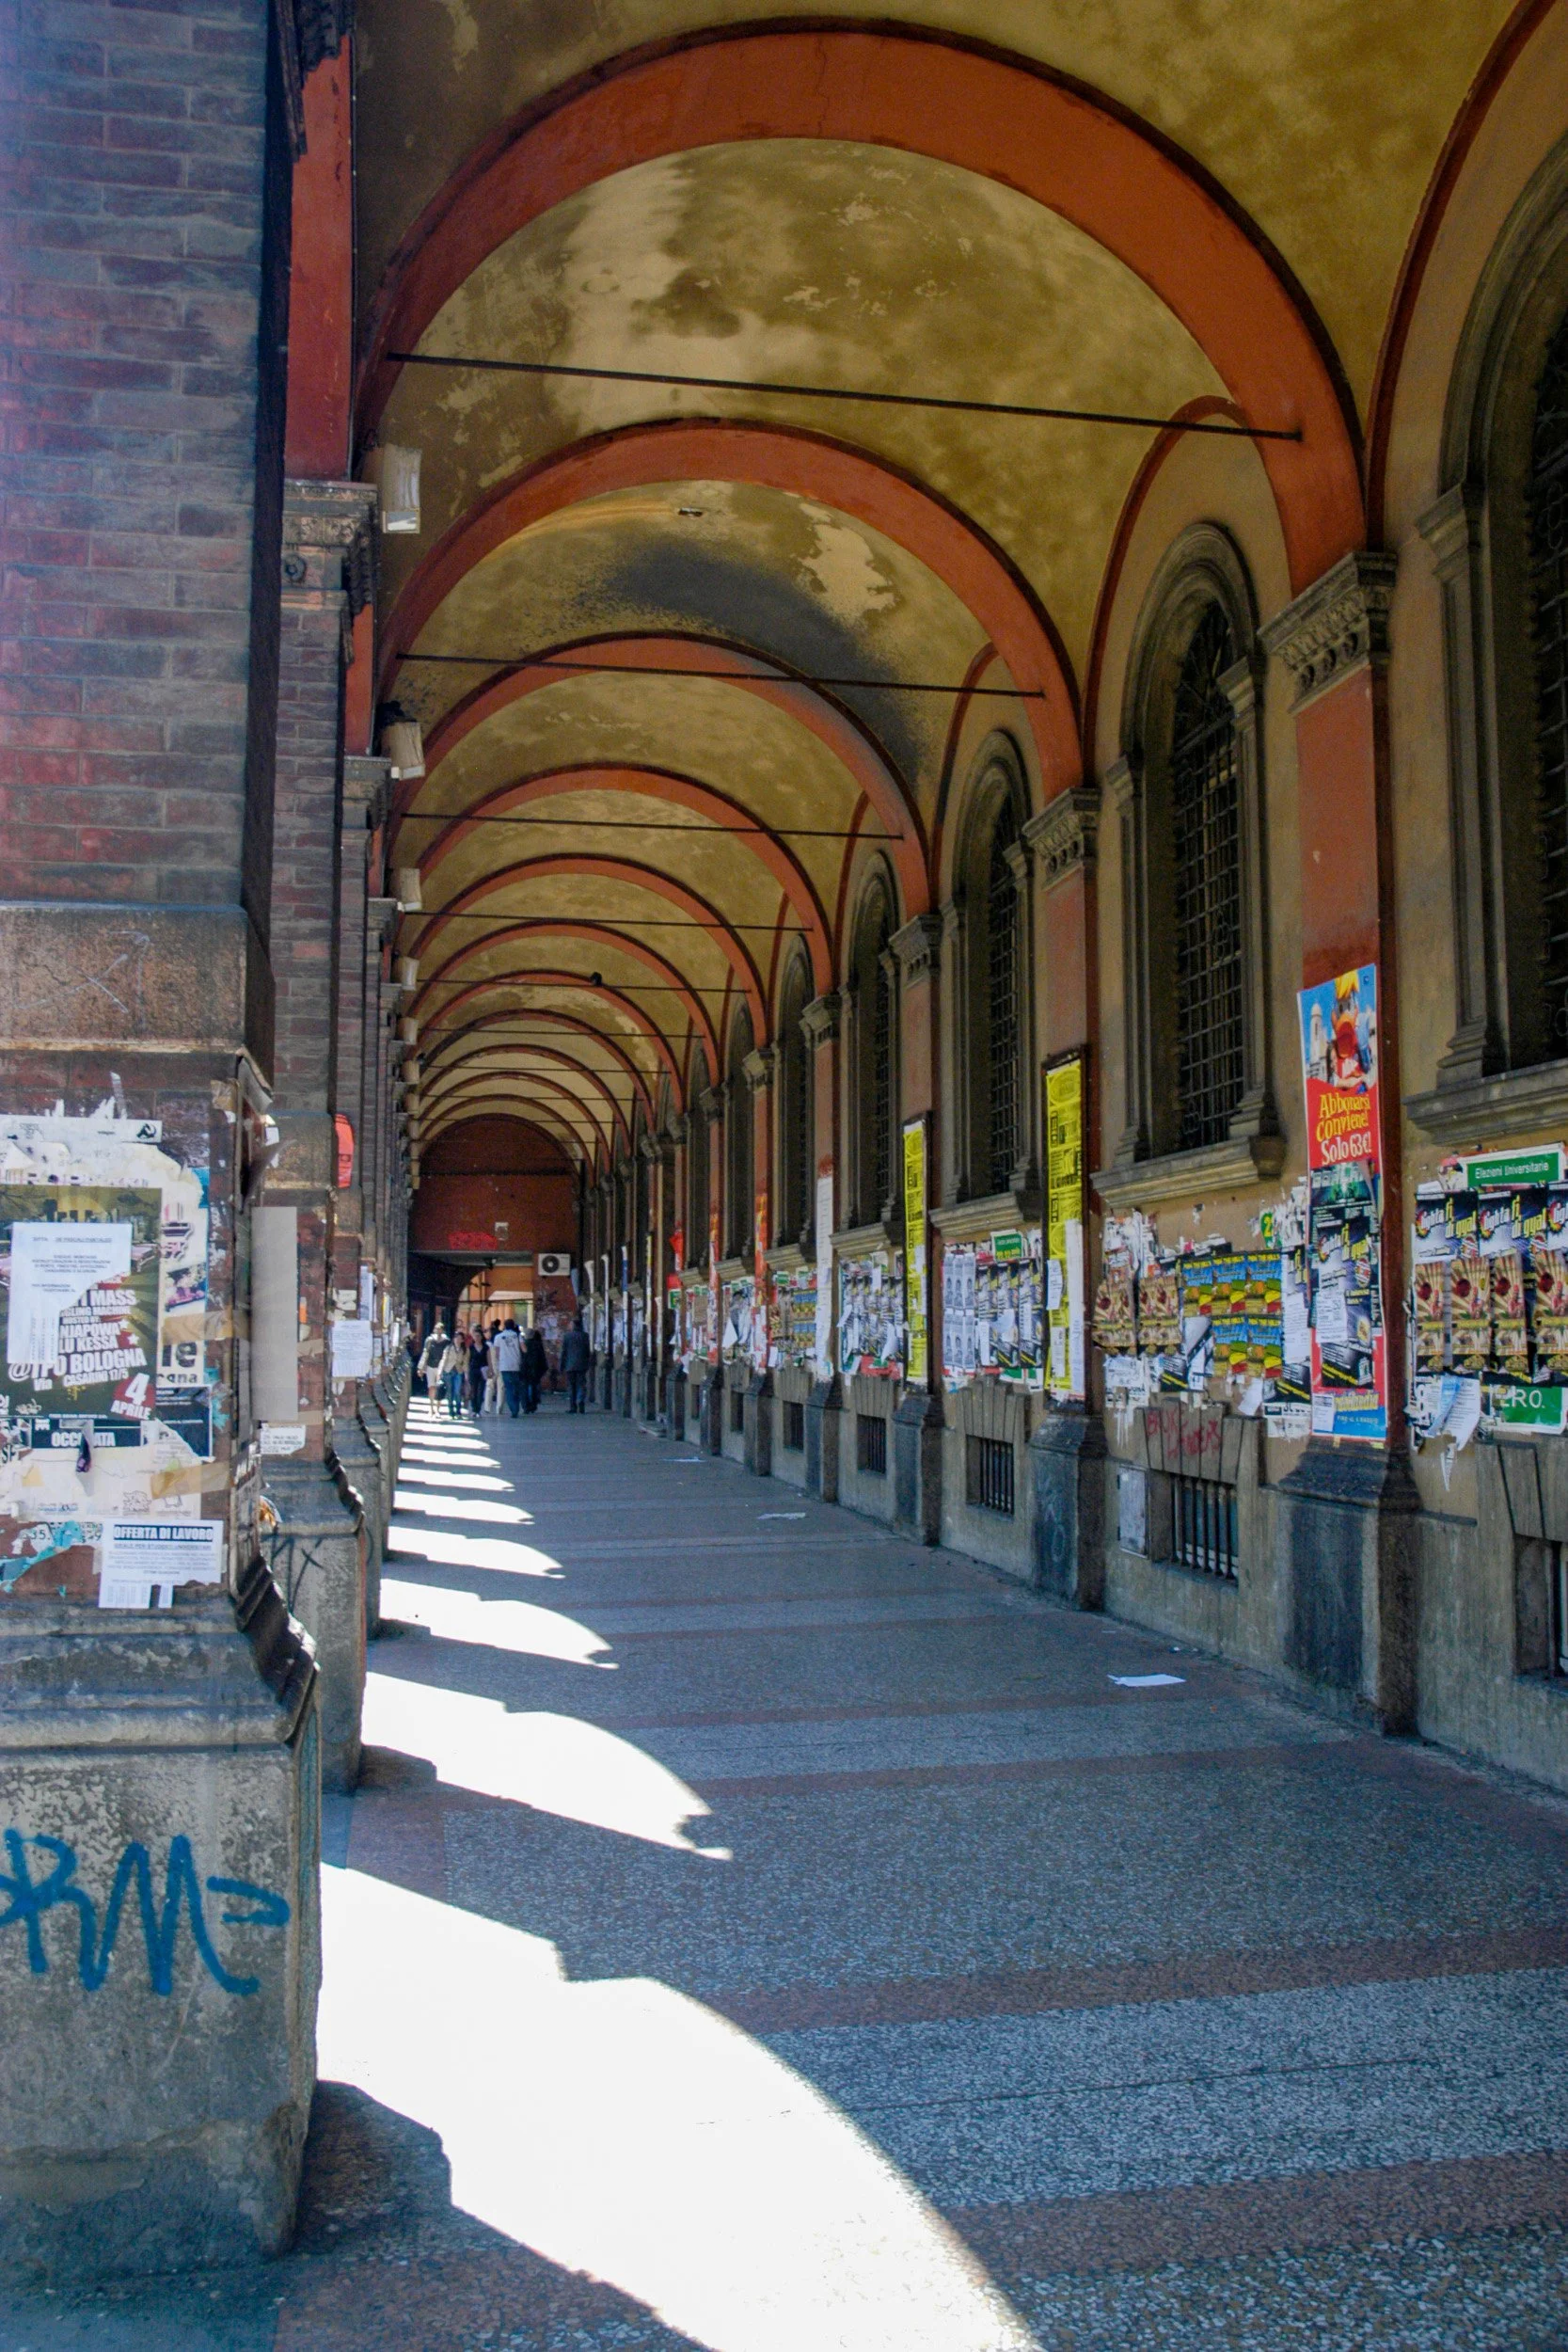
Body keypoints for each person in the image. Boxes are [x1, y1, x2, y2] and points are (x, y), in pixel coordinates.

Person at [560, 1314, 593, 1414]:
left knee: (572, 1386)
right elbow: (587, 1351)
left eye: (571, 1324)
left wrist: (562, 1366)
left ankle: (573, 1406)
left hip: (570, 1365)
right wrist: (587, 1362)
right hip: (582, 1365)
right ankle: (581, 1402)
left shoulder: (567, 1336)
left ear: (573, 1325)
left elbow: (564, 1352)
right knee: (581, 1384)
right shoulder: (585, 1336)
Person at [494, 1317, 523, 1416]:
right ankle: (516, 1407)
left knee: (508, 1387)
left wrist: (499, 1362)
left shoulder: (498, 1337)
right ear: (513, 1326)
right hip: (516, 1364)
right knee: (516, 1387)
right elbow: (524, 1349)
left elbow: (497, 1353)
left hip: (504, 1365)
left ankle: (513, 1409)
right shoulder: (518, 1336)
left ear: (504, 1326)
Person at [437, 1327, 467, 1420]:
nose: (457, 1340)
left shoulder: (464, 1350)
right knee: (450, 1392)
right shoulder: (449, 1348)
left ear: (462, 1340)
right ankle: (451, 1411)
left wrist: (466, 1374)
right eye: (456, 1338)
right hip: (448, 1371)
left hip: (458, 1372)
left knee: (457, 1391)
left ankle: (458, 1411)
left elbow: (465, 1363)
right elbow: (444, 1359)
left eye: (459, 1338)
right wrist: (440, 1372)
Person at [521, 1323, 547, 1415]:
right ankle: (533, 1404)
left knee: (524, 1387)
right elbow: (542, 1357)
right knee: (533, 1386)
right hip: (535, 1369)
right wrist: (544, 1368)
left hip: (524, 1369)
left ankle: (525, 1405)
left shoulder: (523, 1344)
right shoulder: (538, 1344)